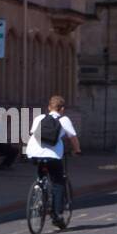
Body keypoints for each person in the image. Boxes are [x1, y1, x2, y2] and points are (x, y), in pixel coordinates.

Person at [25, 94, 80, 226]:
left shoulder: (39, 118)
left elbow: (33, 133)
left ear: (49, 107)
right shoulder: (64, 120)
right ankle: (57, 214)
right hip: (53, 156)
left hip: (33, 153)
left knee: (41, 173)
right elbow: (73, 137)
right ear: (62, 109)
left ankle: (39, 190)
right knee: (58, 183)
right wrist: (77, 150)